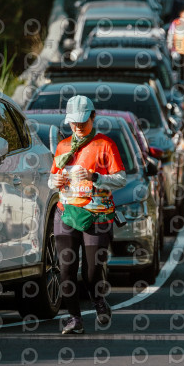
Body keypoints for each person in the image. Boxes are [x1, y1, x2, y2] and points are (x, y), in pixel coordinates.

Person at [49, 96, 127, 334]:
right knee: (66, 269)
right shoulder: (63, 147)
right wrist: (55, 181)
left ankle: (98, 300)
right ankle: (74, 318)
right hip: (66, 213)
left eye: (82, 121)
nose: (78, 127)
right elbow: (52, 178)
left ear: (93, 116)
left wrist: (95, 177)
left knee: (92, 271)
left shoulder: (105, 144)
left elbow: (121, 179)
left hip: (97, 215)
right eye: (73, 122)